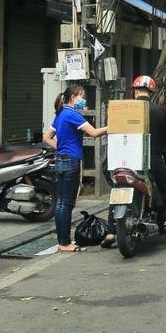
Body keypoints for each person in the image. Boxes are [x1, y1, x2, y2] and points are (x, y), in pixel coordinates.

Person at [102, 75, 166, 249]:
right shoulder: (159, 111)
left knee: (117, 189)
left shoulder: (122, 109)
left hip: (122, 159)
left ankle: (110, 232)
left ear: (135, 91)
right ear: (151, 92)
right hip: (151, 160)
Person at [43, 84, 107, 253]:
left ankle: (62, 241)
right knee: (66, 203)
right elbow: (93, 133)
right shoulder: (72, 114)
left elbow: (46, 137)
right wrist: (113, 126)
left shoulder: (61, 114)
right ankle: (64, 243)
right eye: (81, 96)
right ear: (72, 97)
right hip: (71, 162)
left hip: (61, 161)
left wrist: (60, 148)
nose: (83, 99)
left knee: (61, 203)